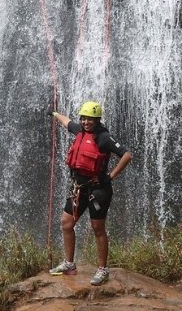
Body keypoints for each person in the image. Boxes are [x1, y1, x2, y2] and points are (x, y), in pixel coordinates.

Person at [49, 100, 133, 286]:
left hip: (98, 190)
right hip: (79, 188)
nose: (86, 122)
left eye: (90, 119)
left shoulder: (103, 137)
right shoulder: (79, 130)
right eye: (84, 118)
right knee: (66, 223)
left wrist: (110, 177)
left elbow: (127, 155)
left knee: (97, 229)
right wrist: (54, 114)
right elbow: (66, 122)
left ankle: (102, 270)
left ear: (97, 120)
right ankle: (69, 264)